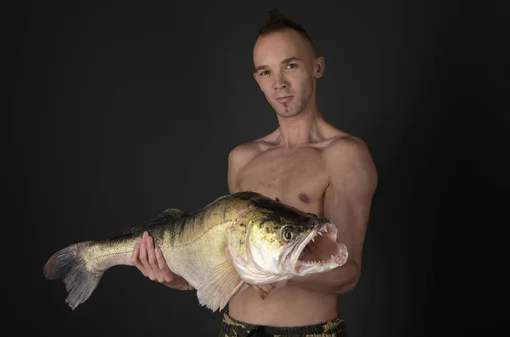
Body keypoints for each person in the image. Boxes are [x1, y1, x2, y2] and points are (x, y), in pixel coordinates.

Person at [131, 9, 378, 337]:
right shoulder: (242, 159)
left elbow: (348, 273)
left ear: (316, 67)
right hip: (235, 329)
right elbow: (231, 267)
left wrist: (285, 272)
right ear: (257, 80)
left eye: (290, 65)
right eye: (265, 72)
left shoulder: (344, 155)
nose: (279, 84)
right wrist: (178, 278)